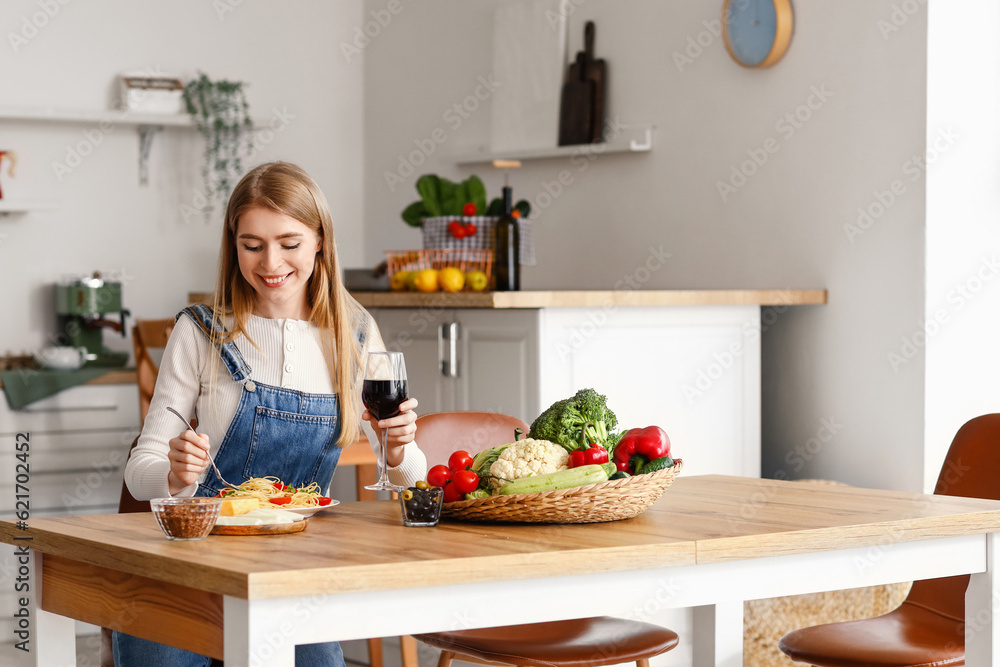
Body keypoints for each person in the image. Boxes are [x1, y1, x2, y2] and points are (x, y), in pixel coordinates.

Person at [117, 161, 425, 667]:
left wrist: (399, 448)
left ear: (320, 241)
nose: (270, 263)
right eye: (252, 245)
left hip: (294, 575)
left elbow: (411, 477)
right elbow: (140, 470)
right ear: (233, 245)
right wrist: (173, 475)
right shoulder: (200, 332)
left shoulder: (355, 334)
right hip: (190, 569)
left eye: (290, 243)